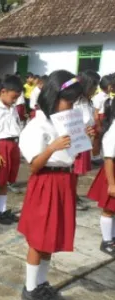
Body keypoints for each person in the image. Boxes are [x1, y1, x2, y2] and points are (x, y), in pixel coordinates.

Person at [18, 70, 84, 300]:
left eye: (74, 102)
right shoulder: (37, 126)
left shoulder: (63, 121)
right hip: (46, 181)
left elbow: (76, 153)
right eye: (69, 100)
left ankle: (42, 282)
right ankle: (30, 288)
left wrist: (86, 136)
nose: (71, 106)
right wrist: (51, 148)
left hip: (64, 181)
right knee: (39, 239)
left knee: (52, 237)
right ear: (53, 97)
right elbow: (34, 166)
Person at [0, 75, 23, 225]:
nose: (15, 100)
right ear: (3, 91)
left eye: (17, 98)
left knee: (5, 180)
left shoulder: (12, 109)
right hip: (1, 146)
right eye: (13, 97)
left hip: (13, 145)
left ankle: (2, 209)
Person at [87, 97, 115, 256]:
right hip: (112, 173)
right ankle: (106, 241)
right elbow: (109, 158)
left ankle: (113, 237)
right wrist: (111, 184)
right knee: (108, 209)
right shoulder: (114, 130)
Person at [73, 71, 100, 211]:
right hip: (73, 141)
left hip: (84, 140)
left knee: (77, 172)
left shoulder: (88, 102)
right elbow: (69, 123)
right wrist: (82, 130)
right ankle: (70, 197)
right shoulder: (74, 101)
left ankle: (73, 194)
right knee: (71, 171)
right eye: (94, 86)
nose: (95, 89)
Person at [92, 75, 112, 165]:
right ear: (107, 85)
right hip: (99, 119)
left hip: (105, 118)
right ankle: (95, 156)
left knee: (102, 138)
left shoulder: (108, 96)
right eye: (111, 85)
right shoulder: (99, 97)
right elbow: (95, 113)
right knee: (97, 139)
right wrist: (99, 125)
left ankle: (98, 155)